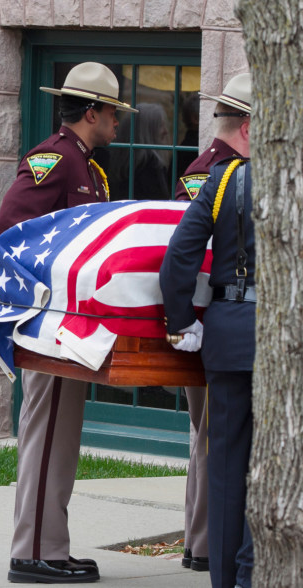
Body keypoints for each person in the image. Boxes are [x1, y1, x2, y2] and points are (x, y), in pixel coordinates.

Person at [0, 62, 137, 584]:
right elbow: (11, 227)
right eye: (113, 113)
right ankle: (32, 552)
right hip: (53, 321)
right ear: (93, 112)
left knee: (62, 435)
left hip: (74, 325)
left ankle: (51, 545)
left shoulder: (89, 167)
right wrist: (47, 296)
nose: (118, 122)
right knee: (48, 430)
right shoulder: (53, 158)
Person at [159, 73, 254, 588]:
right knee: (276, 463)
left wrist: (183, 323)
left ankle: (224, 579)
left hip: (226, 335)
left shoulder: (220, 182)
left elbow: (178, 261)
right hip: (279, 342)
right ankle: (253, 571)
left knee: (225, 467)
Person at [108, 102, 171, 200]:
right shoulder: (152, 167)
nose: (165, 131)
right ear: (147, 131)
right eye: (160, 126)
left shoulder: (117, 164)